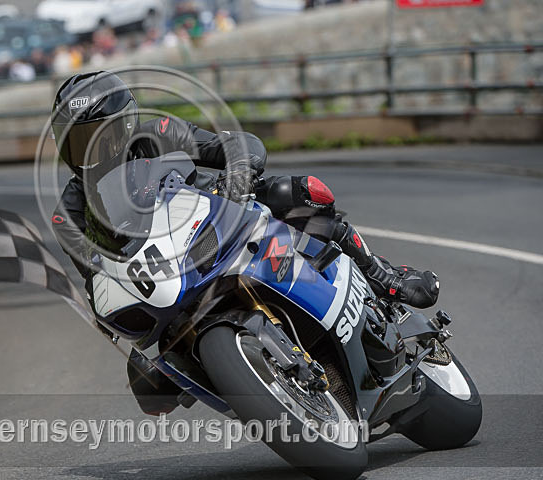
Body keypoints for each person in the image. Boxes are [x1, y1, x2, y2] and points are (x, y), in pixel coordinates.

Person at [49, 71, 440, 414]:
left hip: (221, 220)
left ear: (125, 124)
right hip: (165, 276)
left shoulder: (160, 133)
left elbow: (238, 145)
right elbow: (94, 275)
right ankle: (252, 385)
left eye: (101, 136)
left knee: (298, 193)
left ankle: (380, 273)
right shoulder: (68, 212)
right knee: (150, 390)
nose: (93, 150)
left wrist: (237, 177)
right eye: (79, 142)